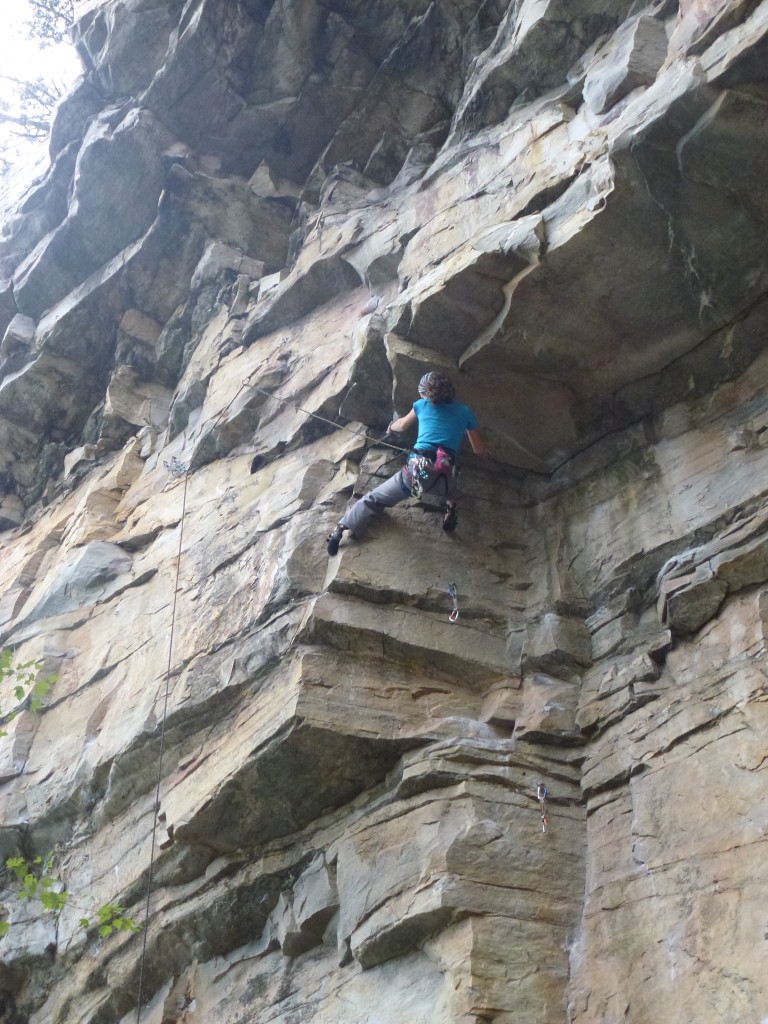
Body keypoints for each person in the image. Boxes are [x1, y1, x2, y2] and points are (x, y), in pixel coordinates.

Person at [327, 371, 489, 554]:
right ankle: (450, 510)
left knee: (374, 499)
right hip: (444, 478)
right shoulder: (465, 412)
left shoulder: (422, 405)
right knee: (453, 492)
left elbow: (402, 425)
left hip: (417, 476)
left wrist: (390, 426)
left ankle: (340, 529)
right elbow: (478, 450)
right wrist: (485, 452)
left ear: (425, 393)